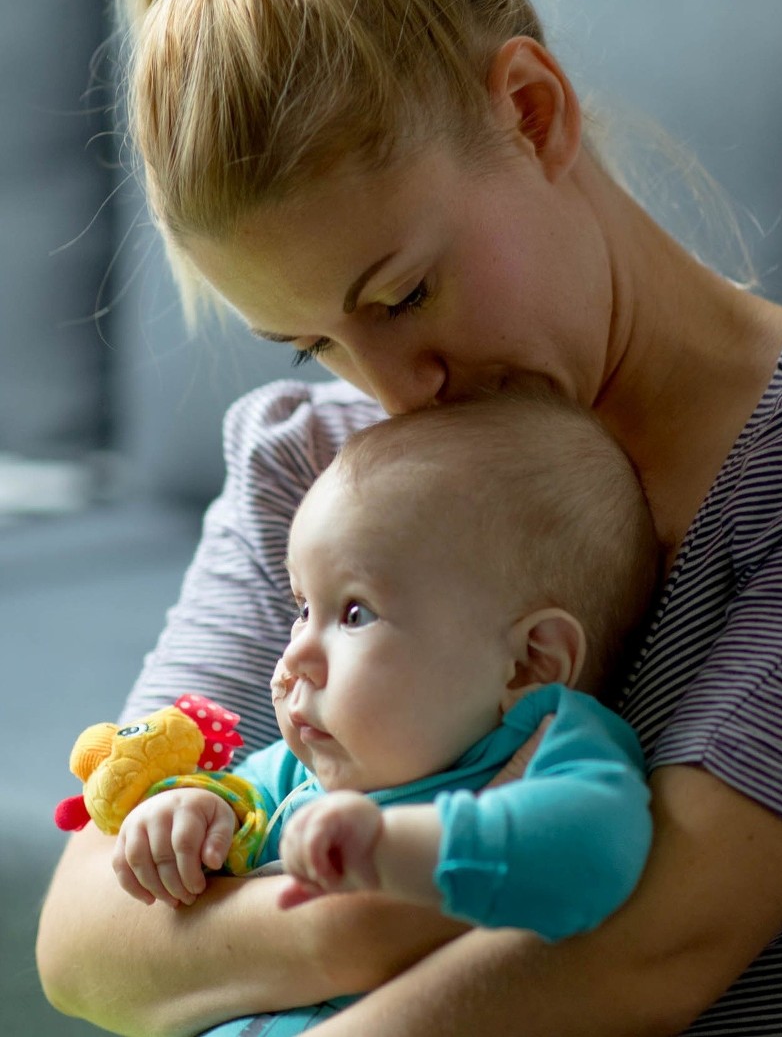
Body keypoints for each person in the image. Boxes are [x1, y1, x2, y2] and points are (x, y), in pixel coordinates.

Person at [36, 0, 782, 1037]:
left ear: (531, 111)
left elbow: (645, 954)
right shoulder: (310, 466)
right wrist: (365, 906)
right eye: (309, 342)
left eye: (405, 293)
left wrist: (336, 886)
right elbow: (82, 945)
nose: (391, 391)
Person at [110, 393, 658, 1035]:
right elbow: (239, 799)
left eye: (355, 614)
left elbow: (597, 849)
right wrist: (190, 815)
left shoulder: (547, 751)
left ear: (529, 664)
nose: (297, 656)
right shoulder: (297, 768)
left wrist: (395, 852)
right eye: (301, 608)